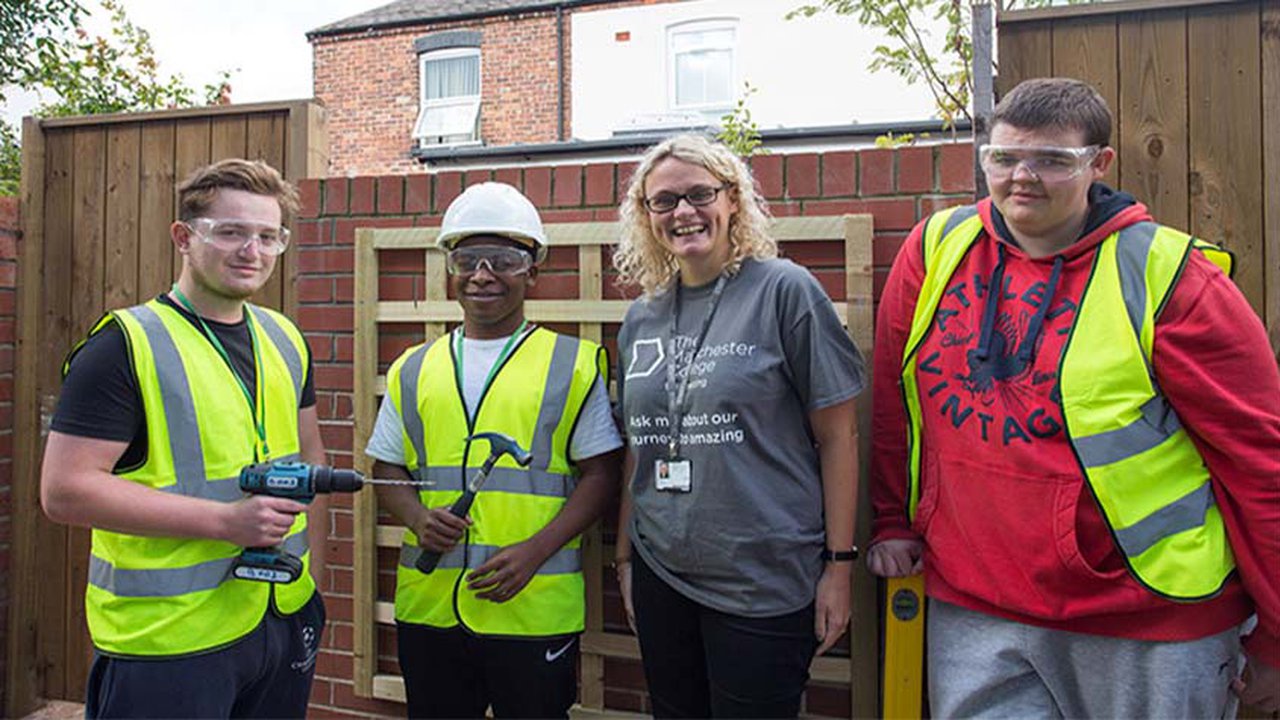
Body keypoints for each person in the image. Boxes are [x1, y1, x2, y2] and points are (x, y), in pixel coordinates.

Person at [869, 77, 1280, 718]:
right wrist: (891, 519)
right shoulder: (935, 251)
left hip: (1149, 621)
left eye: (1052, 160)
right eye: (1003, 158)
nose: (1021, 177)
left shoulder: (1173, 278)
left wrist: (1278, 635)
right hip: (975, 608)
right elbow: (894, 405)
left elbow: (1259, 463)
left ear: (1099, 164)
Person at [40, 159, 327, 718]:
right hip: (169, 641)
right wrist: (225, 522)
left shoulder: (285, 338)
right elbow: (63, 491)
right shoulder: (125, 345)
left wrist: (309, 590)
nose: (253, 250)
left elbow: (310, 455)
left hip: (279, 616)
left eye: (269, 236)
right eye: (231, 231)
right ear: (183, 236)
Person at [612, 134, 865, 718]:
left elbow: (839, 436)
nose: (683, 212)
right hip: (662, 572)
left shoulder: (785, 291)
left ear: (731, 200)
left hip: (763, 578)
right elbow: (637, 448)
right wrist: (626, 559)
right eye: (664, 201)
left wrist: (839, 569)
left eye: (700, 194)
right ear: (646, 217)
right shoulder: (641, 317)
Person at [366, 181, 623, 719]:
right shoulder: (414, 367)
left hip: (531, 608)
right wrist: (415, 517)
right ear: (450, 270)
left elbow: (602, 474)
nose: (483, 273)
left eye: (504, 259)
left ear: (532, 271)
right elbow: (385, 464)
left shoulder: (571, 364)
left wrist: (535, 551)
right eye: (467, 259)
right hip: (431, 605)